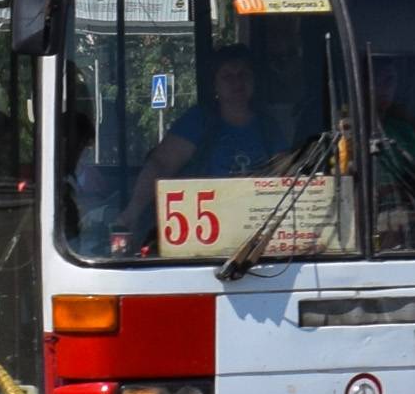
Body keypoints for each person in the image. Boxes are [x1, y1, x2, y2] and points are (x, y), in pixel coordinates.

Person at [117, 50, 290, 255]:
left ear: (254, 82)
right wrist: (132, 213)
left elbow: (285, 175)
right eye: (227, 76)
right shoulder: (199, 122)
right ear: (214, 85)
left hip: (257, 229)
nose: (237, 82)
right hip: (203, 234)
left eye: (244, 74)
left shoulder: (268, 126)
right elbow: (160, 165)